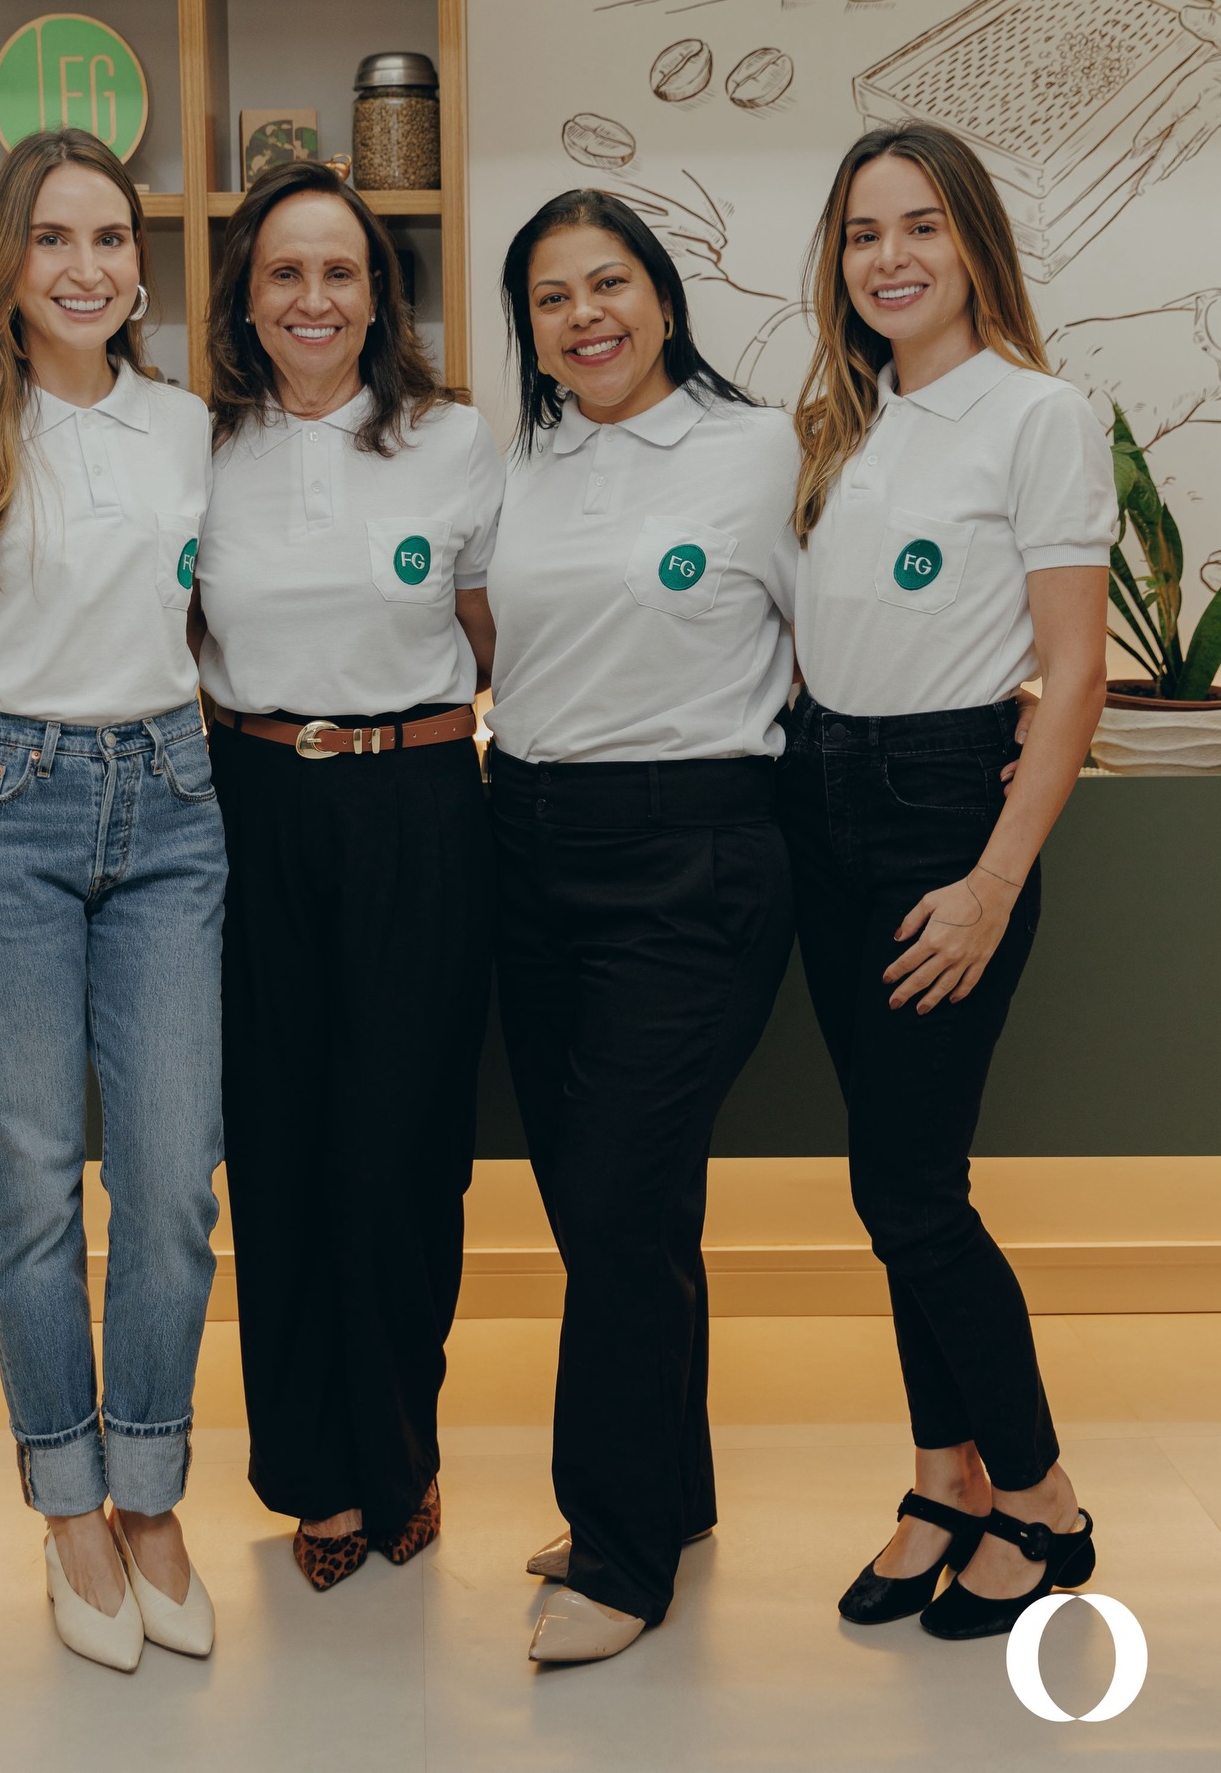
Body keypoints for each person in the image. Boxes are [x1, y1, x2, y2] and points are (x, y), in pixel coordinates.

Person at [0, 128, 222, 1671]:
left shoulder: (192, 428)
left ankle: (150, 1486)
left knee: (170, 1183)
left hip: (173, 812)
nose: (87, 267)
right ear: (8, 262)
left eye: (112, 240)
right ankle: (68, 1502)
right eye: (56, 239)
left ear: (143, 264)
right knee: (27, 1186)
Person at [783, 120, 1114, 1640]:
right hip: (822, 802)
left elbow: (1071, 670)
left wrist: (990, 878)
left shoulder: (1038, 415)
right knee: (889, 1182)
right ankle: (944, 1478)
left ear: (975, 242)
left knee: (909, 1186)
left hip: (939, 819)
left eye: (921, 226)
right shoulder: (838, 426)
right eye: (863, 233)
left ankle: (1041, 1498)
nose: (891, 257)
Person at [486, 189, 799, 1662]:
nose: (584, 316)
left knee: (615, 1202)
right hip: (529, 842)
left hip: (695, 857)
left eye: (609, 284)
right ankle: (666, 1486)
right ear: (531, 333)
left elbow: (835, 636)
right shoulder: (529, 464)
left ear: (663, 298)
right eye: (552, 298)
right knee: (615, 1204)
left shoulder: (758, 452)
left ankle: (618, 1559)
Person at [197, 161, 504, 1589]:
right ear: (247, 298)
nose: (313, 298)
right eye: (284, 273)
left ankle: (403, 1451)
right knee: (281, 1144)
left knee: (402, 1148)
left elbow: (510, 636)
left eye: (341, 272)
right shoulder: (198, 445)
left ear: (379, 294)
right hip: (251, 802)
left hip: (419, 804)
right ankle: (315, 1475)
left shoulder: (453, 441)